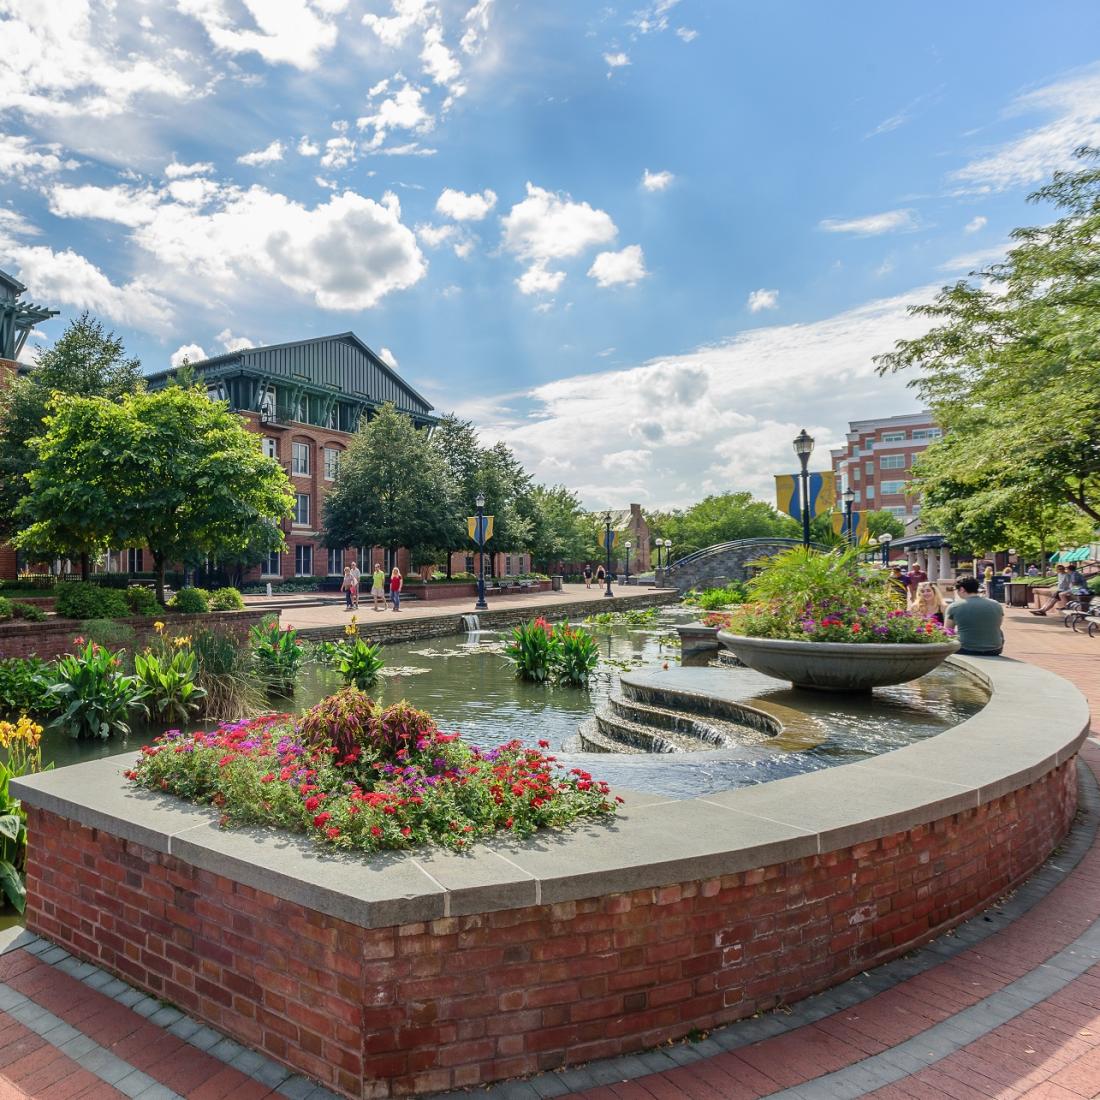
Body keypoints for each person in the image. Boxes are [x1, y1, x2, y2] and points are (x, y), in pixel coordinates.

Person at [946, 576, 1004, 655]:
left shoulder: (954, 606)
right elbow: (998, 624)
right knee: (999, 631)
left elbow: (948, 631)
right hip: (994, 649)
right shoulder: (996, 604)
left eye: (956, 589)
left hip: (964, 649)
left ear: (962, 589)